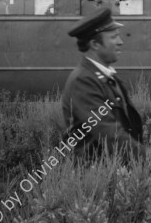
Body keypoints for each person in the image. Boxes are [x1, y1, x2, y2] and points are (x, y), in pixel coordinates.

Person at [61, 8, 144, 161]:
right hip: (95, 175)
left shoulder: (104, 76)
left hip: (115, 170)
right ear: (95, 44)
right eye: (114, 37)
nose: (121, 42)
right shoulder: (83, 81)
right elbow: (111, 135)